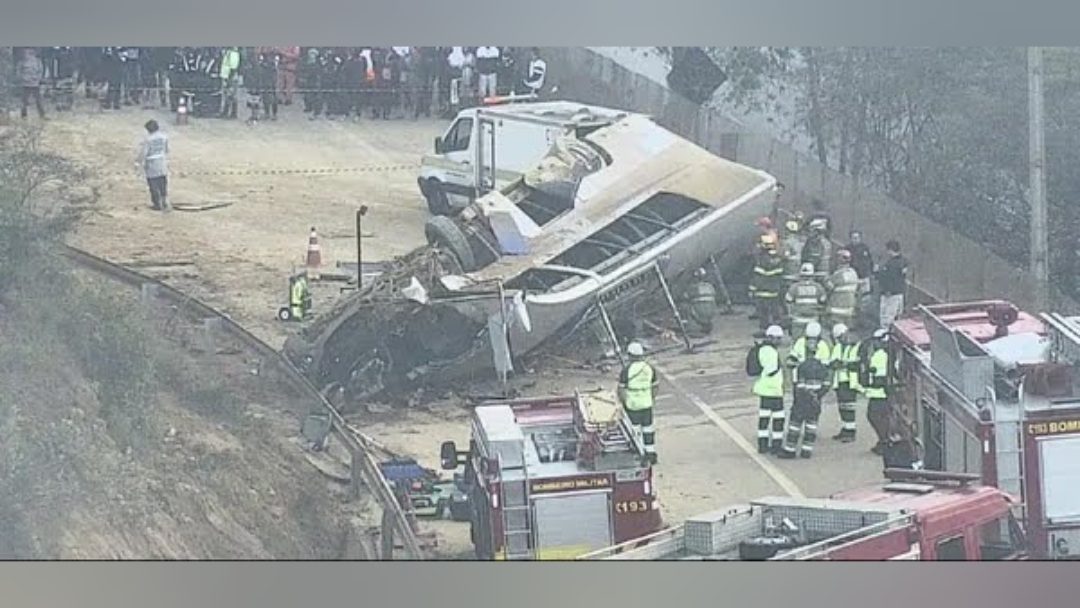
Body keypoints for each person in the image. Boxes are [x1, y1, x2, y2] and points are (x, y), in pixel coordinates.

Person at [778, 352, 831, 459]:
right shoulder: (823, 369)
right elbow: (826, 385)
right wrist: (817, 396)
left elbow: (800, 386)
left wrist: (809, 396)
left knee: (795, 426)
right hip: (816, 404)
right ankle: (807, 450)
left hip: (802, 403)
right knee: (811, 427)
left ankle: (790, 450)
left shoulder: (802, 367)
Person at [617, 341, 659, 464]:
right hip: (647, 403)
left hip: (632, 405)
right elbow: (655, 386)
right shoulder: (649, 368)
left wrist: (623, 403)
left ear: (630, 355)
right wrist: (651, 398)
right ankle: (651, 452)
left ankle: (640, 453)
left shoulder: (627, 370)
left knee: (635, 431)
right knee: (648, 429)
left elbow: (621, 389)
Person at [752, 326, 786, 454]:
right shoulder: (770, 351)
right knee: (778, 419)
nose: (780, 341)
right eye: (778, 338)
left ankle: (763, 444)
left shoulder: (762, 349)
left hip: (765, 390)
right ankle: (776, 446)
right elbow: (771, 369)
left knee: (764, 418)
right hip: (773, 390)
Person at [829, 323, 862, 442]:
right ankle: (845, 428)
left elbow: (857, 362)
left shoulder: (856, 346)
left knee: (849, 407)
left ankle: (851, 431)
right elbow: (832, 362)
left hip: (850, 381)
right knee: (842, 407)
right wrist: (836, 364)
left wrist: (844, 364)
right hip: (839, 381)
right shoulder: (838, 347)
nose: (841, 339)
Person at [863, 329, 892, 455]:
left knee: (876, 417)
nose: (874, 343)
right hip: (878, 392)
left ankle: (885, 441)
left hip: (881, 393)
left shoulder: (881, 355)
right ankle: (883, 441)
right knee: (878, 417)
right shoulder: (881, 354)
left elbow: (881, 375)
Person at [785, 263, 827, 340]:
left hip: (797, 319)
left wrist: (790, 315)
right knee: (812, 342)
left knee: (797, 343)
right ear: (812, 275)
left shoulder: (794, 287)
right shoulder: (818, 287)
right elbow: (823, 301)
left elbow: (788, 301)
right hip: (813, 319)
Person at [135, 120, 170, 211]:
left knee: (153, 183)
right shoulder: (164, 137)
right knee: (163, 182)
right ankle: (164, 201)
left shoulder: (148, 140)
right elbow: (166, 150)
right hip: (162, 162)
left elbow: (144, 153)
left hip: (151, 163)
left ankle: (157, 204)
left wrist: (138, 162)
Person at [749, 245, 785, 331]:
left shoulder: (761, 263)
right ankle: (777, 329)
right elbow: (779, 277)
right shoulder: (778, 263)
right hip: (774, 292)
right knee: (775, 311)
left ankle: (764, 330)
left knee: (763, 313)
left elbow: (757, 279)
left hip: (762, 293)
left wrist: (752, 290)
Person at [876, 240, 909, 331]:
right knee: (897, 316)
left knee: (886, 317)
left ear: (890, 250)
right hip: (900, 293)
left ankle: (884, 337)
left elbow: (888, 278)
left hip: (890, 294)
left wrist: (878, 272)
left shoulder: (891, 264)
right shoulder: (904, 261)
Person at [825, 249, 859, 330]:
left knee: (836, 331)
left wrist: (825, 279)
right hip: (849, 309)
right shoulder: (853, 273)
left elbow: (829, 287)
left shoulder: (838, 274)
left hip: (837, 310)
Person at [683, 268, 717, 336]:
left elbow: (685, 296)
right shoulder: (710, 286)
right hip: (708, 308)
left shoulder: (693, 287)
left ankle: (686, 324)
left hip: (700, 309)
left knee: (684, 306)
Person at [16, 48, 47, 120]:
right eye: (26, 53)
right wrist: (23, 78)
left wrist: (38, 79)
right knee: (24, 101)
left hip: (35, 84)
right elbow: (18, 72)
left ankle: (42, 115)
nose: (26, 55)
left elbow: (40, 71)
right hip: (25, 84)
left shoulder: (38, 62)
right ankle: (23, 116)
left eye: (29, 53)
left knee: (39, 100)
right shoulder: (22, 62)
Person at [846, 230, 874, 300]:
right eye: (853, 238)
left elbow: (869, 261)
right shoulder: (847, 249)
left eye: (857, 238)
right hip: (852, 277)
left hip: (864, 276)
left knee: (865, 297)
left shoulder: (865, 248)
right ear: (850, 239)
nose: (855, 240)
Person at [781, 217, 806, 287]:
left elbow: (785, 256)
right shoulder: (801, 242)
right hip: (798, 274)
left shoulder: (786, 243)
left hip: (788, 274)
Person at [218, 46, 241, 119]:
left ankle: (233, 113)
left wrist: (229, 80)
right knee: (227, 95)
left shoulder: (233, 53)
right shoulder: (228, 52)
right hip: (226, 76)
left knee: (232, 95)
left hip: (231, 78)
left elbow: (233, 68)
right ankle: (226, 112)